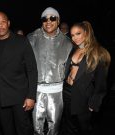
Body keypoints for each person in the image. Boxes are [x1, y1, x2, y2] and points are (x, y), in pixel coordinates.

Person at [0, 11, 38, 135]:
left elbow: (32, 69)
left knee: (23, 129)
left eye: (3, 22)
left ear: (8, 23)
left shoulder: (21, 41)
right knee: (6, 129)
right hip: (0, 95)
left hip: (20, 95)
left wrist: (31, 96)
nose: (0, 25)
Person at [27, 7, 73, 135]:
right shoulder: (31, 38)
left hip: (57, 92)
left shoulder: (68, 42)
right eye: (44, 18)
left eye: (52, 18)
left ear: (58, 20)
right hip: (35, 91)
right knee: (37, 128)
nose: (48, 21)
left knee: (54, 128)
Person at [59, 21, 111, 135]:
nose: (75, 38)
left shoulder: (97, 53)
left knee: (84, 127)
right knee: (68, 125)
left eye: (78, 33)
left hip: (83, 96)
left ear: (86, 33)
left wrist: (94, 102)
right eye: (72, 35)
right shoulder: (73, 49)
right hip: (67, 91)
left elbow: (101, 83)